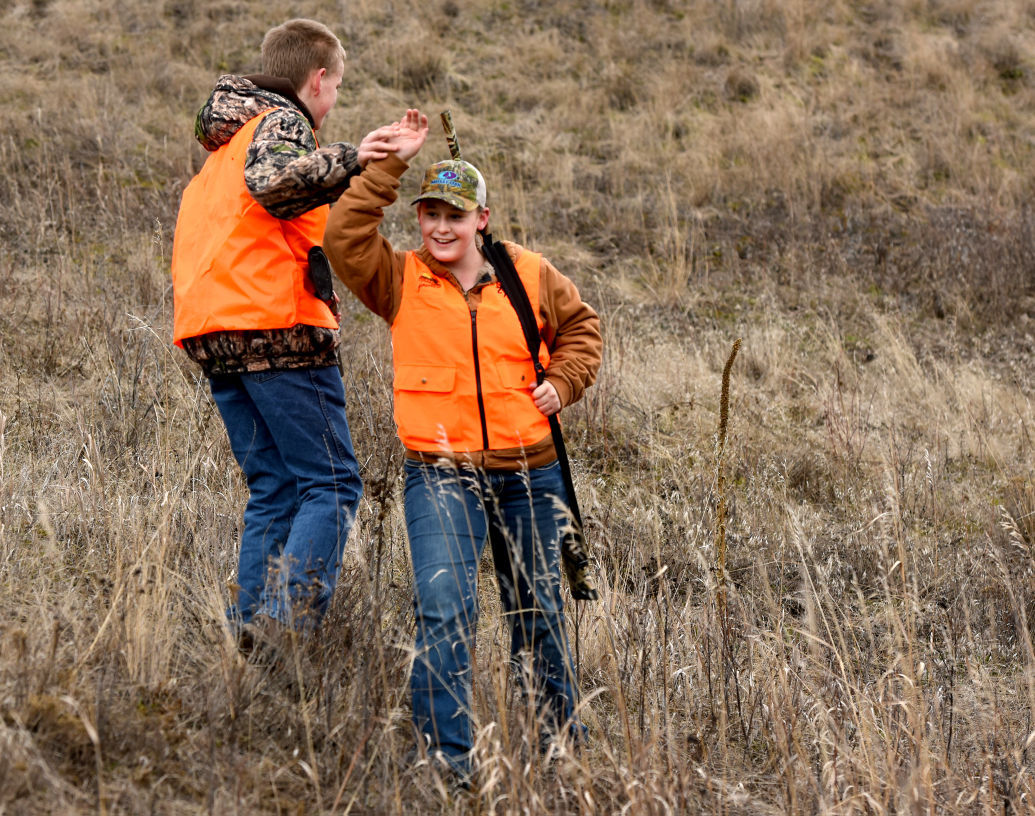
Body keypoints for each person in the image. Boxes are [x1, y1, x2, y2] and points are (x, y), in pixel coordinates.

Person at [323, 110, 602, 780]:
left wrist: (561, 385)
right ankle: (450, 768)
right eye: (429, 214)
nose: (440, 227)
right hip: (440, 476)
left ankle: (559, 752)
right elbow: (341, 236)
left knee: (538, 615)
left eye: (455, 214)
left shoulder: (528, 274)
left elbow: (583, 330)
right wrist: (386, 167)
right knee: (444, 609)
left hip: (532, 476)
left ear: (482, 218)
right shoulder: (397, 279)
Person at [170, 19, 397, 640]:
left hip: (214, 332)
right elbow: (275, 185)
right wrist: (356, 157)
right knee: (330, 481)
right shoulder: (282, 123)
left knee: (275, 487)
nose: (336, 99)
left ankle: (249, 631)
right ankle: (284, 627)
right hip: (277, 326)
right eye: (339, 85)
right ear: (318, 80)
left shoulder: (227, 141)